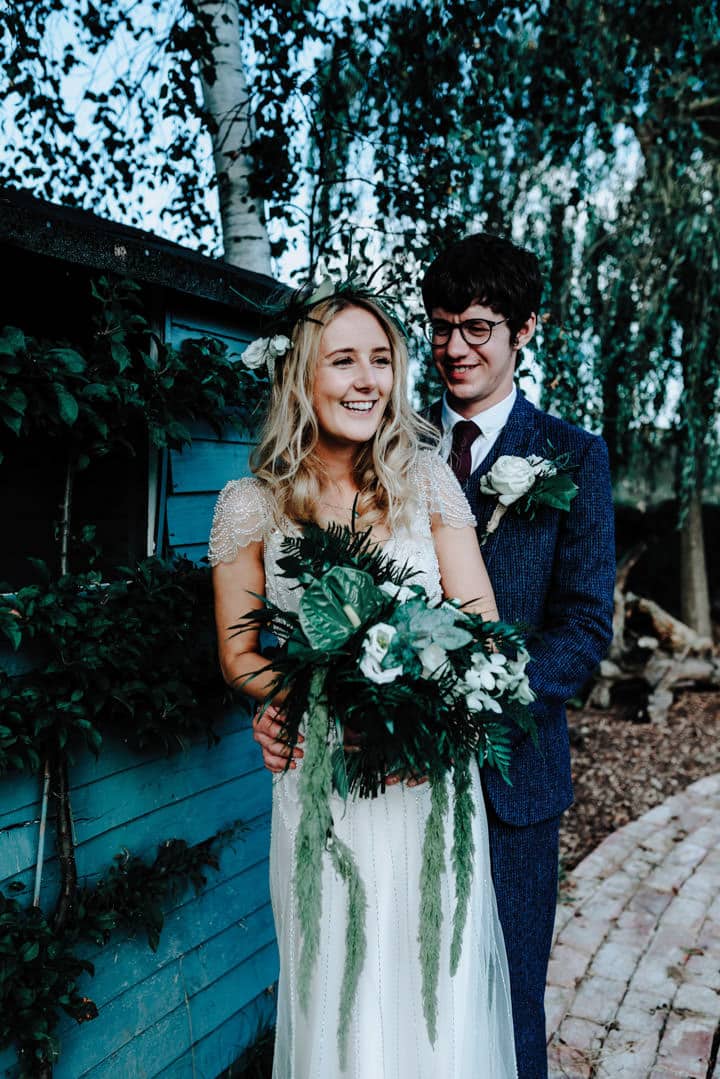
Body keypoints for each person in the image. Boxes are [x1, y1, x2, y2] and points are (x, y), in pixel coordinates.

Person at [209, 291, 518, 1078]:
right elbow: (242, 652)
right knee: (336, 1001)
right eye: (343, 359)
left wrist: (435, 720)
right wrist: (289, 701)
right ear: (301, 378)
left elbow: (482, 629)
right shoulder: (252, 504)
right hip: (324, 792)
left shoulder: (427, 484)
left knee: (433, 996)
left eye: (380, 360)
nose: (366, 379)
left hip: (427, 785)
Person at [421, 233, 616, 1079]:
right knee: (417, 991)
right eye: (439, 328)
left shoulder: (575, 455)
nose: (454, 348)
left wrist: (489, 688)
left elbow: (583, 626)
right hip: (400, 774)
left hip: (516, 780)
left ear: (525, 328)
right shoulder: (399, 449)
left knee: (511, 1001)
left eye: (476, 327)